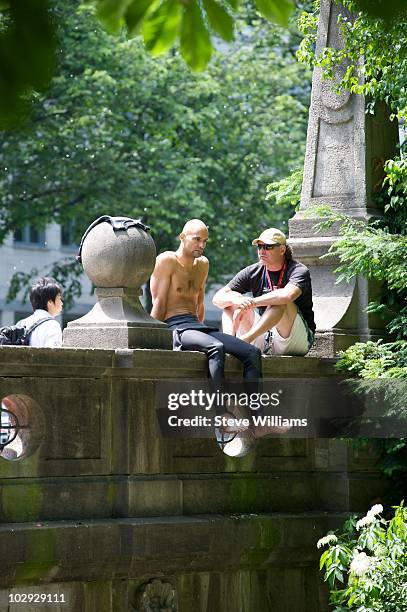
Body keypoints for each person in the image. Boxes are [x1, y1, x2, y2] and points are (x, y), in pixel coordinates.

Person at [150, 219, 262, 433]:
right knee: (215, 348)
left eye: (205, 241)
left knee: (251, 352)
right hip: (175, 327)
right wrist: (153, 338)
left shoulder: (203, 264)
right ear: (182, 238)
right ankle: (221, 415)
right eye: (197, 239)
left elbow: (199, 304)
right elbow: (159, 303)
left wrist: (202, 330)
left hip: (196, 327)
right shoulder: (166, 261)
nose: (201, 245)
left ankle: (258, 418)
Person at [212, 228, 315, 356]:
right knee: (230, 301)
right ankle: (230, 344)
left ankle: (244, 341)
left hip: (294, 339)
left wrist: (252, 302)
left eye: (268, 247)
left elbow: (288, 295)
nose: (262, 251)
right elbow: (217, 298)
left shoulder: (298, 270)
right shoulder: (253, 271)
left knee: (280, 301)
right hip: (264, 336)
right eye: (259, 246)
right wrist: (238, 301)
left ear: (282, 250)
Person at [17, 277, 63, 347]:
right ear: (50, 302)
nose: (61, 303)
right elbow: (52, 355)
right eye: (59, 299)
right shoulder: (52, 325)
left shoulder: (21, 323)